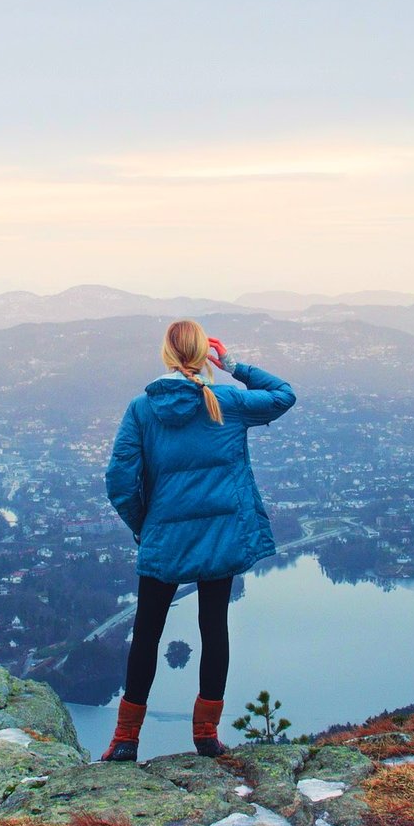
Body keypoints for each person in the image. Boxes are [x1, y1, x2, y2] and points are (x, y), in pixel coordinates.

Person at [101, 319, 297, 761]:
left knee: (147, 633)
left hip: (165, 539)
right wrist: (233, 365)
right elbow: (285, 394)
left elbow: (119, 481)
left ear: (167, 355)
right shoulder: (225, 399)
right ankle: (206, 735)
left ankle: (125, 739)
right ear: (200, 355)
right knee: (214, 629)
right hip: (220, 537)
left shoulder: (142, 409)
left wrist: (144, 524)